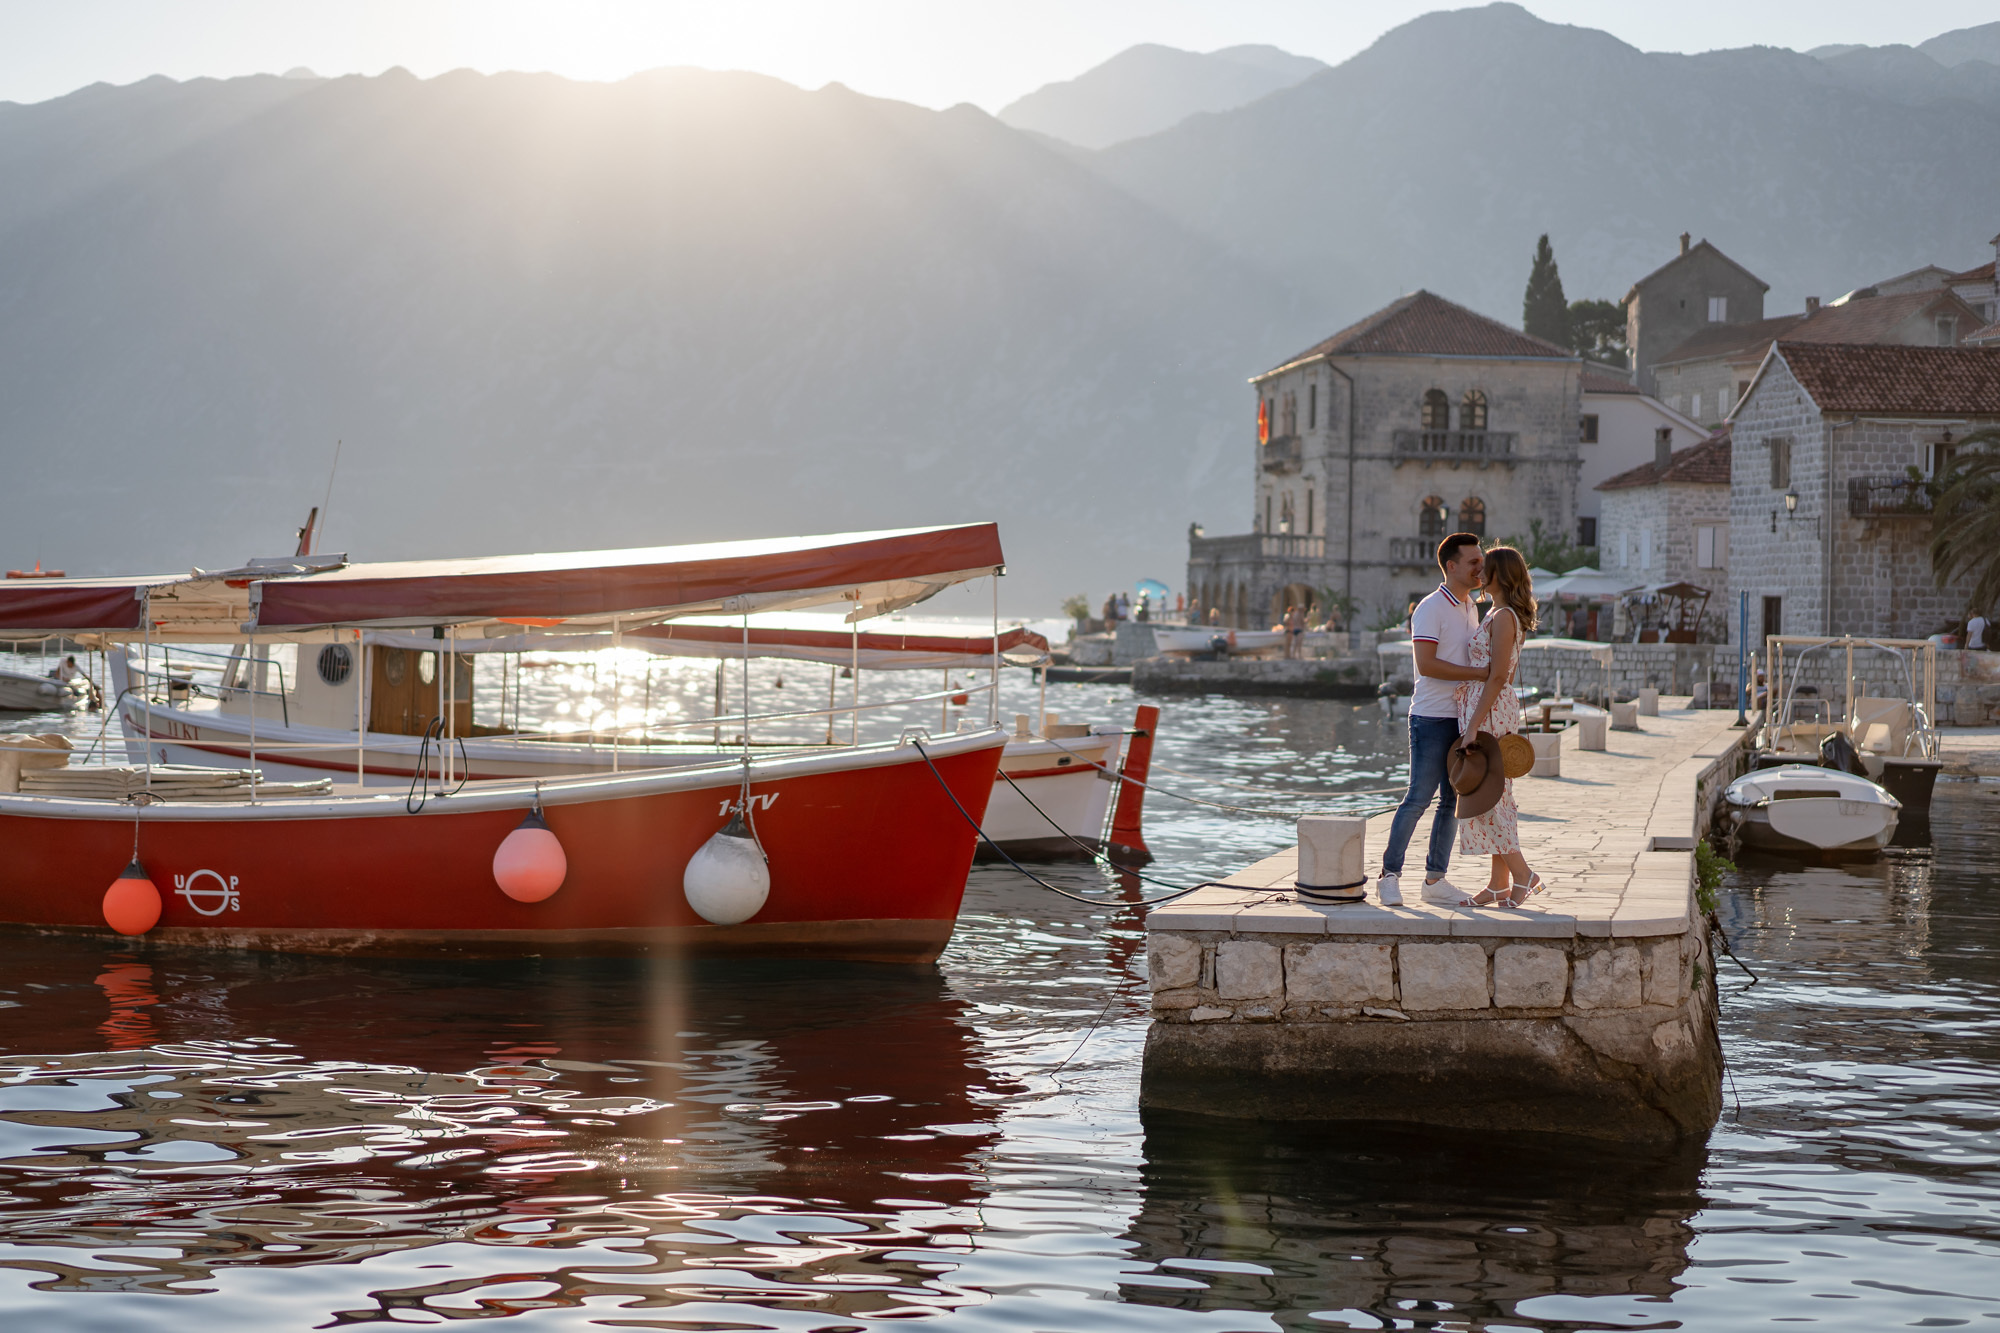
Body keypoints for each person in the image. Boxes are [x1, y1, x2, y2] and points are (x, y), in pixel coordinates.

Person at [1377, 534, 1489, 907]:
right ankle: (1389, 876)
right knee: (1418, 798)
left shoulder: (1472, 606)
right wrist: (1480, 676)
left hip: (1460, 718)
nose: (1480, 567)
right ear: (1451, 566)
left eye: (1481, 559)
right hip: (1429, 716)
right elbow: (1426, 666)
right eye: (1473, 561)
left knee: (1451, 801)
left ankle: (1435, 880)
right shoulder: (1430, 608)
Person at [1453, 546, 1548, 907]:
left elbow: (1497, 677)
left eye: (1484, 568)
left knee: (1492, 797)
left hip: (1489, 711)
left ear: (1499, 576)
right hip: (1482, 708)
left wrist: (1473, 727)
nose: (1478, 573)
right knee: (1493, 794)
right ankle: (1498, 883)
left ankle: (1523, 874)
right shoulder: (1494, 612)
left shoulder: (1504, 616)